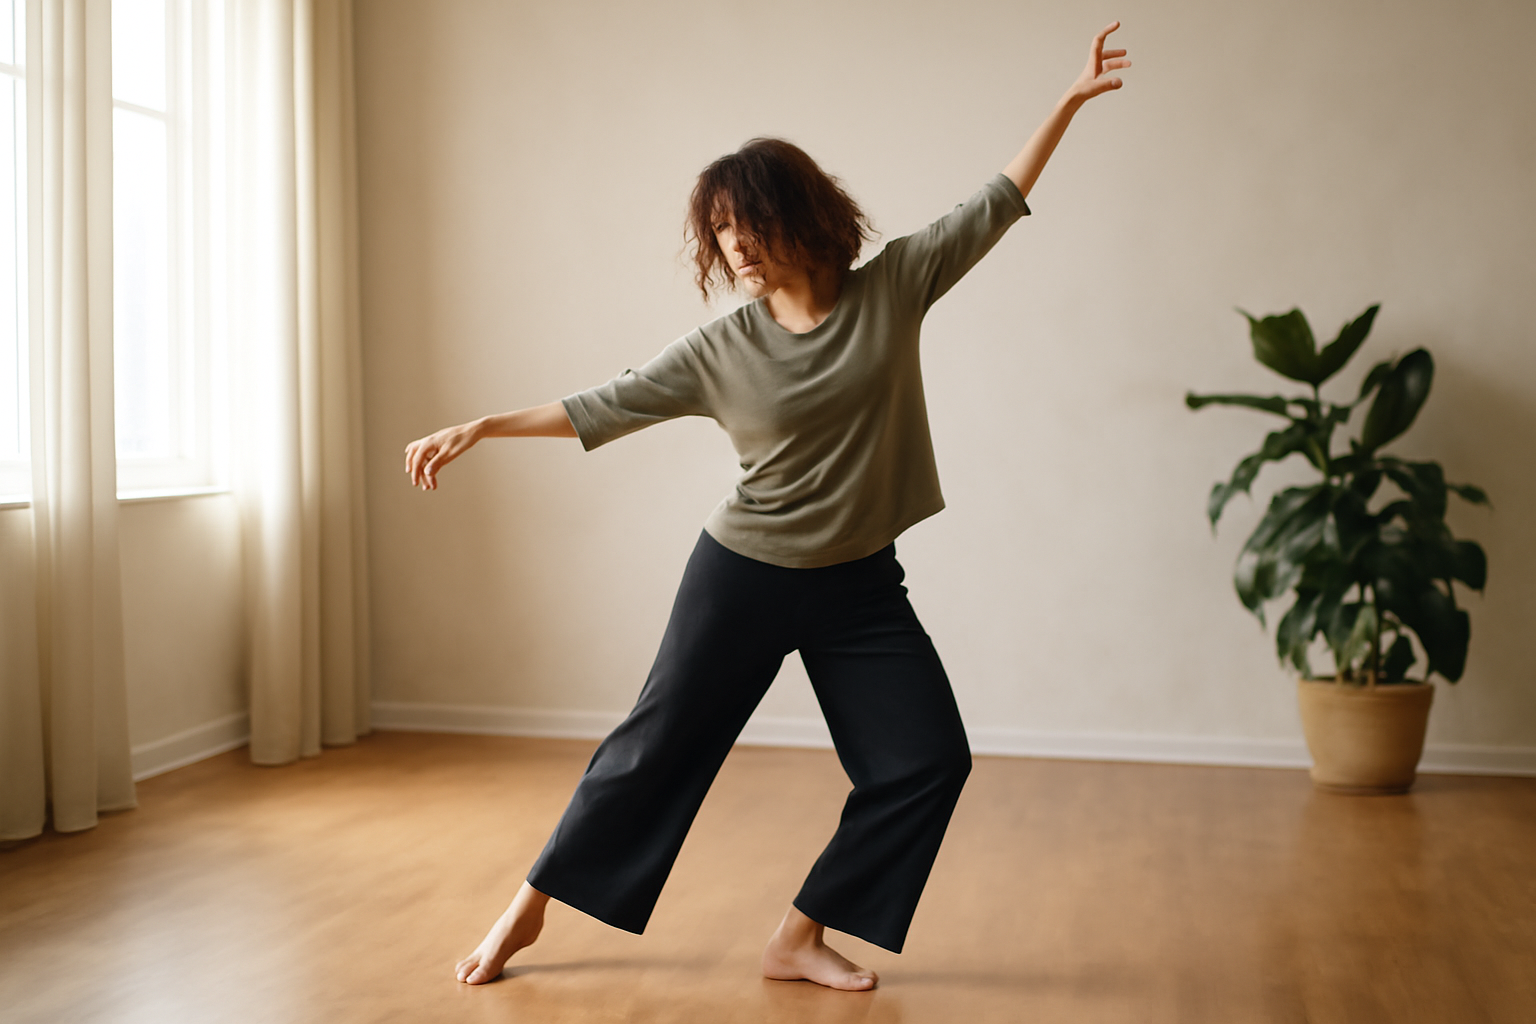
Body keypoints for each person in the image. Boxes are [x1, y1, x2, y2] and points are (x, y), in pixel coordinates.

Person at [405, 22, 1131, 991]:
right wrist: (483, 425)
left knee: (926, 760)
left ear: (800, 216)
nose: (733, 247)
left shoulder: (895, 287)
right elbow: (604, 403)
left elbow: (993, 205)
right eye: (719, 234)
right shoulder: (722, 348)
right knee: (653, 749)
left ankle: (797, 936)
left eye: (747, 226)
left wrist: (1069, 99)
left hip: (860, 586)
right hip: (741, 577)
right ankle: (525, 907)